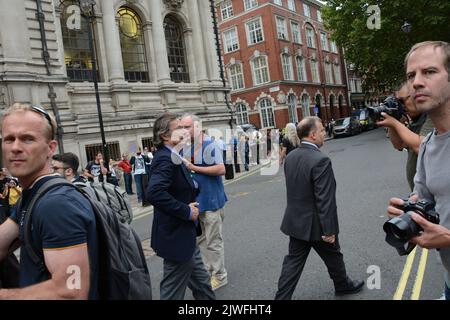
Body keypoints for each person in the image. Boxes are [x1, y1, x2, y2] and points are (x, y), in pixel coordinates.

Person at [0, 103, 98, 299]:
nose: (16, 148)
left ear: (50, 148)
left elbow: (71, 291)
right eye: (9, 139)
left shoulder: (57, 205)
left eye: (27, 139)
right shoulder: (32, 194)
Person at [387, 41, 450, 300]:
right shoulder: (427, 147)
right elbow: (426, 202)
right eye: (411, 75)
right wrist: (410, 210)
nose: (416, 83)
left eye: (430, 72)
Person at [275, 116, 364, 299]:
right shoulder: (320, 160)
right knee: (333, 255)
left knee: (293, 262)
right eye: (322, 130)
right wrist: (329, 229)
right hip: (318, 224)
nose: (325, 133)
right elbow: (325, 198)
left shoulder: (291, 157)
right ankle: (343, 285)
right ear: (313, 134)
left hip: (296, 222)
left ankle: (281, 298)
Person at [146, 113, 215, 300]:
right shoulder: (164, 158)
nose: (185, 131)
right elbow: (154, 193)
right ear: (165, 137)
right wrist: (186, 210)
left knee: (202, 284)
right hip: (176, 235)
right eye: (179, 128)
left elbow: (177, 187)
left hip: (185, 234)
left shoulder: (174, 155)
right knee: (172, 292)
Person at [180, 114, 228, 291]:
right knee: (200, 240)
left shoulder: (209, 144)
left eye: (187, 127)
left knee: (213, 241)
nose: (184, 131)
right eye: (182, 127)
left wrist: (194, 168)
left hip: (212, 201)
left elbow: (221, 169)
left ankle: (220, 275)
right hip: (196, 202)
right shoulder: (185, 146)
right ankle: (208, 272)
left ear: (198, 127)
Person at [377, 83, 434, 191]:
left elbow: (422, 147)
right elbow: (399, 144)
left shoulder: (432, 116)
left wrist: (395, 123)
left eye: (402, 101)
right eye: (398, 102)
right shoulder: (416, 120)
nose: (401, 106)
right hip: (420, 195)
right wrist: (393, 120)